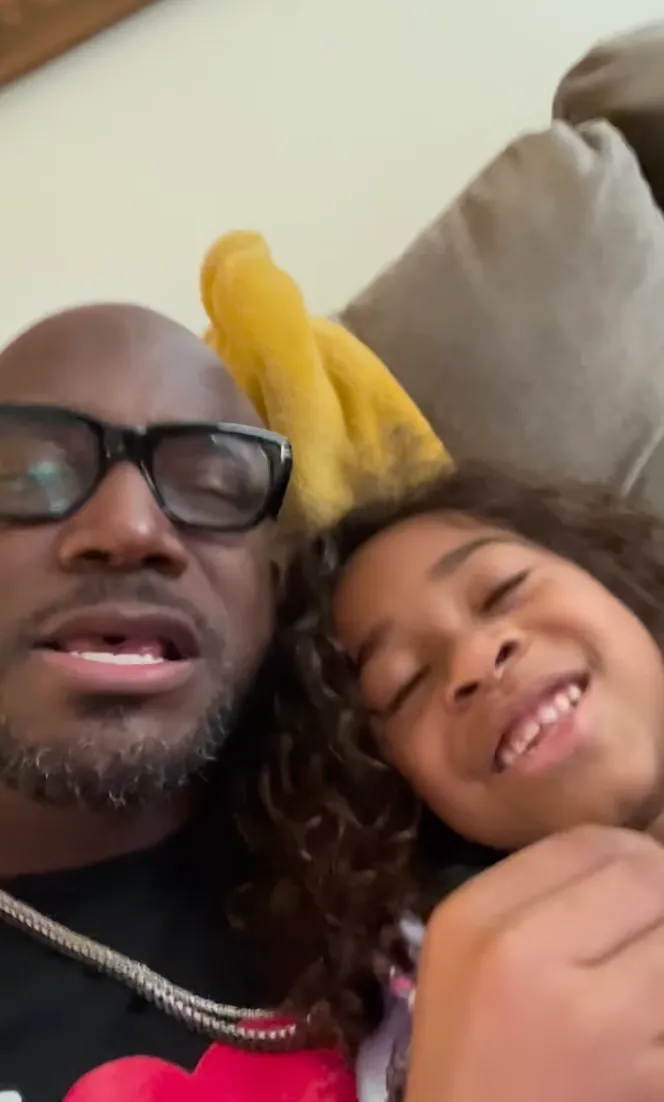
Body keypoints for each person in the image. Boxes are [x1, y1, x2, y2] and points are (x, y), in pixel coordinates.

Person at [1, 310, 663, 1102]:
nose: (131, 527)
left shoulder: (368, 828)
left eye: (213, 487)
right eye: (31, 477)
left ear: (269, 594)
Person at [256, 462, 664, 1100]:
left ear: (619, 586)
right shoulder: (469, 1028)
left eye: (505, 592)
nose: (477, 658)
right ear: (407, 803)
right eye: (405, 685)